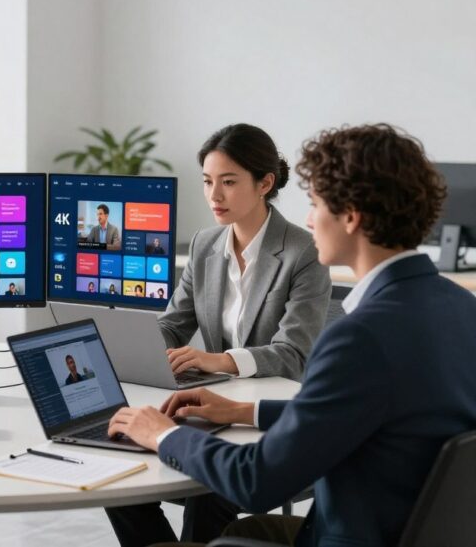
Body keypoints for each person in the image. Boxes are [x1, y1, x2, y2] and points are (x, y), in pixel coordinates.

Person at [107, 123, 476, 547]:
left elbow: (255, 480)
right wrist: (244, 411)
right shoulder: (462, 307)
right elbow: (359, 410)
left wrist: (163, 434)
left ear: (351, 216)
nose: (308, 218)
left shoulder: (358, 338)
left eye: (315, 203)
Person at [105, 124, 331, 546]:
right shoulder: (205, 244)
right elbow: (174, 324)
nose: (214, 195)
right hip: (208, 405)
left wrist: (222, 360)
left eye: (228, 182)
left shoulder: (304, 252)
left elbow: (294, 354)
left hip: (267, 416)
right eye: (208, 182)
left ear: (264, 183)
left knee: (209, 493)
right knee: (118, 467)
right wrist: (131, 343)